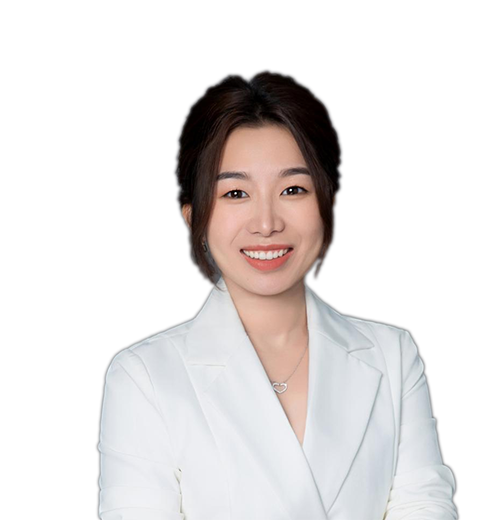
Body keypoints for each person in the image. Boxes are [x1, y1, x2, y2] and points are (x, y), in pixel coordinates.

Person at [98, 70, 458, 519]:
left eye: (293, 189)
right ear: (194, 217)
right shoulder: (144, 377)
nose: (266, 223)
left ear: (327, 204)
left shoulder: (392, 357)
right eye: (235, 193)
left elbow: (423, 506)